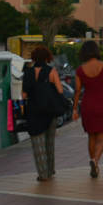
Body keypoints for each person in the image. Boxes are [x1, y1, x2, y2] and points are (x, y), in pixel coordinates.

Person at [71, 40, 103, 178]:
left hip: (88, 105)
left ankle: (93, 164)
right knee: (102, 137)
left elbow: (78, 91)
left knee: (91, 135)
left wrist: (74, 109)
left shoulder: (80, 70)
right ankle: (95, 161)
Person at [21, 46, 65, 182]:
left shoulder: (27, 72)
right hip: (49, 111)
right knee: (49, 142)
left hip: (34, 111)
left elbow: (23, 95)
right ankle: (50, 170)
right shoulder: (51, 71)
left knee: (37, 143)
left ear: (34, 57)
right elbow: (60, 90)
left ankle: (43, 174)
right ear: (47, 57)